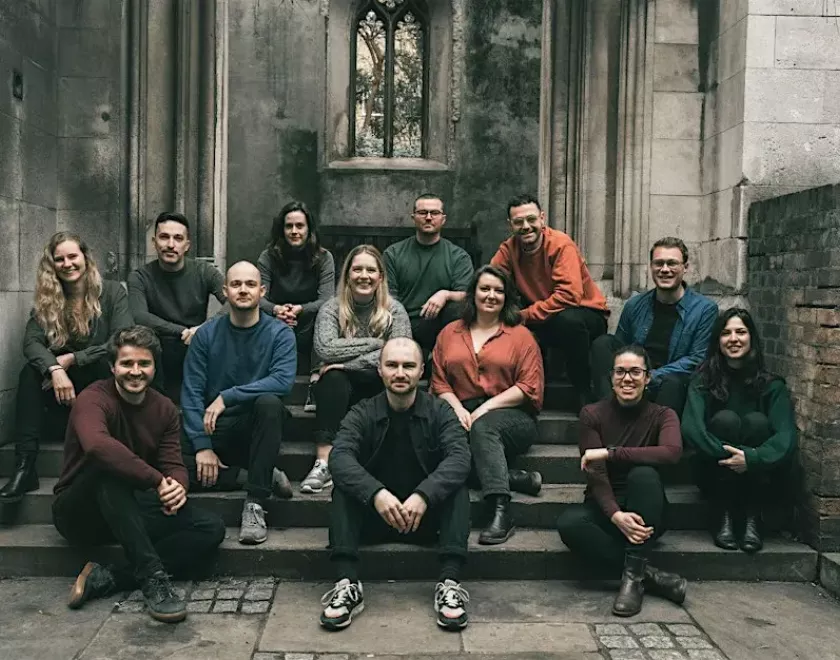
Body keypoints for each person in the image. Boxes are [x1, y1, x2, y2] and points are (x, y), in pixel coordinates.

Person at [52, 326, 225, 623]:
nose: (135, 371)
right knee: (108, 467)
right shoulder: (93, 399)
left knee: (210, 527)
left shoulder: (165, 408)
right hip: (79, 512)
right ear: (112, 367)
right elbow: (97, 446)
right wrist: (157, 481)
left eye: (143, 364)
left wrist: (177, 486)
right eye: (127, 364)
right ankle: (152, 577)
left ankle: (110, 577)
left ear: (154, 367)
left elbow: (172, 461)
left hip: (126, 508)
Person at [321, 337, 472, 631]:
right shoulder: (362, 412)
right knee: (344, 488)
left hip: (426, 520)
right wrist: (376, 494)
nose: (400, 373)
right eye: (392, 365)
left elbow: (460, 458)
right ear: (380, 370)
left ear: (421, 371)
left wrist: (424, 495)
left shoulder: (440, 412)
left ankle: (450, 584)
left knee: (457, 487)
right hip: (375, 517)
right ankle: (346, 584)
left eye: (408, 366)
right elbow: (339, 458)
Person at [0, 232, 133, 503]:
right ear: (52, 265)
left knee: (104, 365)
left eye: (73, 256)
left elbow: (121, 339)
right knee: (29, 373)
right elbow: (31, 342)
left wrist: (74, 359)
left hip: (100, 386)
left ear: (85, 257)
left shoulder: (111, 292)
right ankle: (25, 466)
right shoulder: (49, 298)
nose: (67, 264)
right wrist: (55, 370)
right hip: (64, 394)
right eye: (59, 259)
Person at [556, 345, 686, 617]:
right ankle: (645, 575)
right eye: (621, 372)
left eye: (636, 372)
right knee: (569, 523)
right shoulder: (592, 414)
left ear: (648, 378)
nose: (628, 379)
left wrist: (611, 452)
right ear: (611, 377)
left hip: (647, 508)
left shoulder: (663, 415)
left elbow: (672, 452)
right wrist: (615, 514)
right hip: (605, 506)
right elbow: (596, 473)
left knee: (644, 474)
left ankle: (631, 583)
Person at [180, 261, 297, 545]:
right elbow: (192, 392)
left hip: (256, 424)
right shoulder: (206, 335)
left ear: (262, 291)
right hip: (215, 426)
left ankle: (255, 502)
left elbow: (282, 381)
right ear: (225, 291)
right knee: (166, 464)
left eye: (250, 284)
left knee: (269, 404)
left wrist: (227, 396)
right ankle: (253, 475)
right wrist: (203, 447)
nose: (243, 290)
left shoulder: (280, 334)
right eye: (236, 284)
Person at [431, 265, 544, 545]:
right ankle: (515, 478)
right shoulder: (449, 333)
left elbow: (529, 387)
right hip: (460, 409)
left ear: (507, 297)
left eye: (498, 290)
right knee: (438, 453)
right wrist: (458, 408)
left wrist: (484, 409)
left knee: (483, 428)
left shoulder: (520, 336)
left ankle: (500, 509)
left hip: (512, 415)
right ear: (473, 294)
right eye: (485, 288)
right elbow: (439, 382)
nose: (491, 295)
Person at [682, 308, 797, 554]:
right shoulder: (703, 380)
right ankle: (722, 515)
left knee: (756, 422)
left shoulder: (771, 385)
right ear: (718, 341)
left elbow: (785, 437)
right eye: (726, 333)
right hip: (712, 472)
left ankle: (752, 517)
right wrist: (731, 457)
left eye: (740, 332)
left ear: (751, 338)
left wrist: (751, 459)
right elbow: (692, 428)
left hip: (758, 475)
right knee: (726, 420)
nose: (733, 339)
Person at [303, 245, 411, 495]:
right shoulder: (331, 308)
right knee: (332, 378)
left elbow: (401, 353)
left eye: (371, 270)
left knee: (389, 372)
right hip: (340, 389)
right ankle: (323, 463)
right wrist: (377, 344)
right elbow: (326, 349)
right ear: (347, 275)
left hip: (375, 383)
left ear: (380, 276)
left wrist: (347, 363)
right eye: (357, 269)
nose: (364, 275)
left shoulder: (395, 310)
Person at [490, 194, 608, 408]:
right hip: (545, 314)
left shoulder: (561, 244)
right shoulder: (508, 249)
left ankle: (583, 392)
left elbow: (569, 295)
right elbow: (491, 280)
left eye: (531, 219)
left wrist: (525, 315)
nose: (526, 226)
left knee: (567, 322)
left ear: (542, 218)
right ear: (510, 225)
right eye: (518, 222)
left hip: (585, 313)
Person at [590, 237, 717, 417]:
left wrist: (650, 376)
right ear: (651, 267)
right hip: (635, 377)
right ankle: (608, 414)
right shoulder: (635, 305)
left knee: (672, 382)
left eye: (672, 263)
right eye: (659, 263)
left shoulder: (704, 309)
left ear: (685, 267)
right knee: (603, 344)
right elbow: (621, 349)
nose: (665, 269)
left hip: (671, 383)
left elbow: (697, 359)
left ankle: (659, 435)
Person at [127, 211, 226, 403]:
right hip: (158, 350)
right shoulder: (139, 276)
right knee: (142, 339)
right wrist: (182, 331)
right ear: (154, 242)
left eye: (178, 238)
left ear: (187, 245)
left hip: (195, 346)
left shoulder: (204, 271)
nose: (170, 244)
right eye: (164, 237)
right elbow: (139, 315)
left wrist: (207, 326)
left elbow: (232, 302)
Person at [257, 201, 336, 411]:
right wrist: (277, 310)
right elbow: (259, 297)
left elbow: (327, 299)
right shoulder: (268, 257)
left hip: (311, 321)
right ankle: (273, 389)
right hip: (277, 319)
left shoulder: (323, 257)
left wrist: (300, 309)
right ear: (281, 229)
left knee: (327, 316)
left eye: (299, 226)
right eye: (289, 226)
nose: (294, 231)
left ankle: (315, 383)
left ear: (309, 229)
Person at [383, 194, 474, 356]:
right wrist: (402, 331)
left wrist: (445, 294)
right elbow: (388, 298)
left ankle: (437, 358)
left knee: (458, 308)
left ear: (443, 219)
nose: (429, 218)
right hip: (402, 325)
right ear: (413, 217)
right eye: (423, 213)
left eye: (435, 213)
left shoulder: (458, 256)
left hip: (441, 327)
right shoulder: (393, 254)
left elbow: (468, 295)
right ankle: (425, 355)